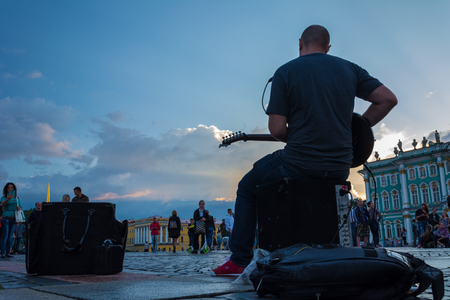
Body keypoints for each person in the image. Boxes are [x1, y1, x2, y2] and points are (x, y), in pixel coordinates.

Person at [212, 25, 397, 276]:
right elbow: (388, 99)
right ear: (328, 48)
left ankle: (240, 259)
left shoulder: (285, 71)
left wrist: (299, 135)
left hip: (299, 163)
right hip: (339, 167)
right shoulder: (350, 69)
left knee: (247, 187)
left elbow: (277, 129)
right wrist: (356, 128)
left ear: (300, 44)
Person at [1, 182, 22, 258]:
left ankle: (8, 252)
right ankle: (3, 252)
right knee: (5, 235)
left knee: (10, 236)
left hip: (13, 219)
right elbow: (2, 204)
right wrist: (8, 198)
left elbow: (20, 207)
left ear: (14, 189)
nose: (10, 189)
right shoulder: (3, 197)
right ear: (6, 189)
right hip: (6, 218)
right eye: (8, 187)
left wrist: (18, 207)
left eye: (11, 187)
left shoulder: (17, 198)